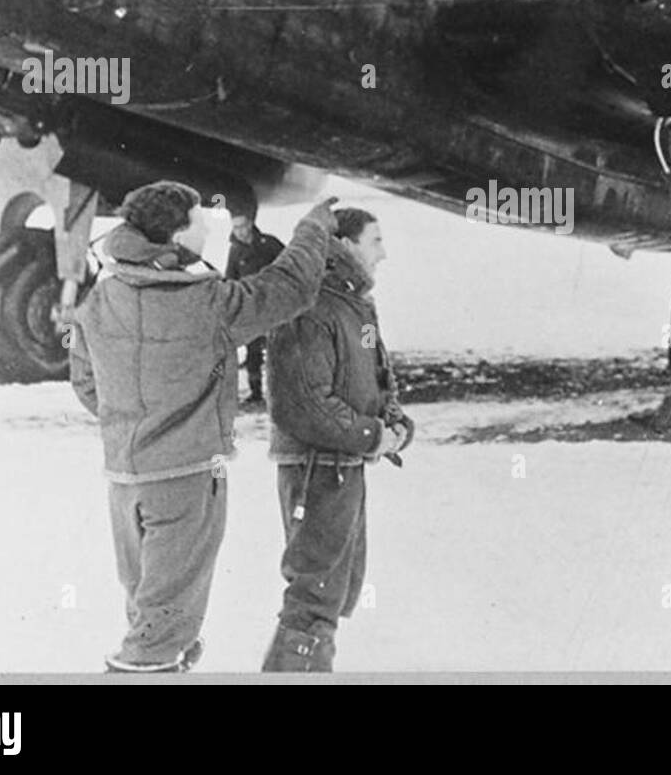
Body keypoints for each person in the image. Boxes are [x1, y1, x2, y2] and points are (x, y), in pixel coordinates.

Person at [69, 181, 336, 673]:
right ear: (174, 234)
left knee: (148, 606)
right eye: (199, 219)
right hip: (187, 477)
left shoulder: (101, 297)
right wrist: (312, 228)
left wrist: (136, 422)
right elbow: (288, 290)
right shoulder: (205, 300)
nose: (209, 227)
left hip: (125, 480)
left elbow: (88, 385)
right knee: (161, 628)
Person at [260, 207, 414, 672]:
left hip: (343, 465)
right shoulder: (310, 306)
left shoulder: (356, 304)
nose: (383, 254)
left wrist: (394, 422)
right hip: (317, 467)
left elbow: (376, 376)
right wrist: (372, 436)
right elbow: (303, 403)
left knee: (336, 589)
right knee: (316, 593)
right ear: (344, 245)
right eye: (375, 241)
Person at [225, 213, 285, 406]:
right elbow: (230, 278)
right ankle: (256, 391)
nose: (240, 232)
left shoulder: (269, 244)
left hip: (274, 305)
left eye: (242, 226)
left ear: (250, 224)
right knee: (253, 351)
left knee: (280, 349)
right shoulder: (235, 250)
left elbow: (287, 265)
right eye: (235, 228)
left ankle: (283, 392)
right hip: (250, 307)